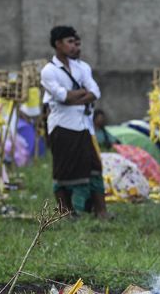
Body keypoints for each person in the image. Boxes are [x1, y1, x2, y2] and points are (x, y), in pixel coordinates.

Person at [40, 25, 110, 219]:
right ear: (58, 44)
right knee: (63, 170)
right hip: (62, 126)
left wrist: (73, 97)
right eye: (69, 42)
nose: (73, 46)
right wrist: (80, 94)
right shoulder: (49, 71)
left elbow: (95, 92)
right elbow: (62, 96)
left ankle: (101, 211)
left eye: (74, 42)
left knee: (95, 167)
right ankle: (65, 211)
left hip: (83, 126)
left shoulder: (82, 67)